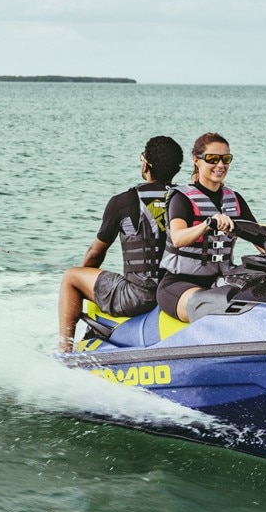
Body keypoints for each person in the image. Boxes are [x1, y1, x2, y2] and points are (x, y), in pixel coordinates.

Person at [57, 135, 183, 352]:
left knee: (71, 277)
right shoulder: (185, 200)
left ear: (146, 165)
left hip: (139, 296)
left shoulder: (123, 202)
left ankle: (65, 350)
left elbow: (95, 254)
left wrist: (84, 279)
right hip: (176, 291)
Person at [157, 132, 258, 322]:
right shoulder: (181, 198)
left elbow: (260, 238)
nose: (220, 165)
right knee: (213, 305)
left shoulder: (235, 199)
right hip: (178, 284)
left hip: (220, 281)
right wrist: (207, 224)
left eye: (225, 159)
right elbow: (178, 238)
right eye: (212, 159)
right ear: (196, 160)